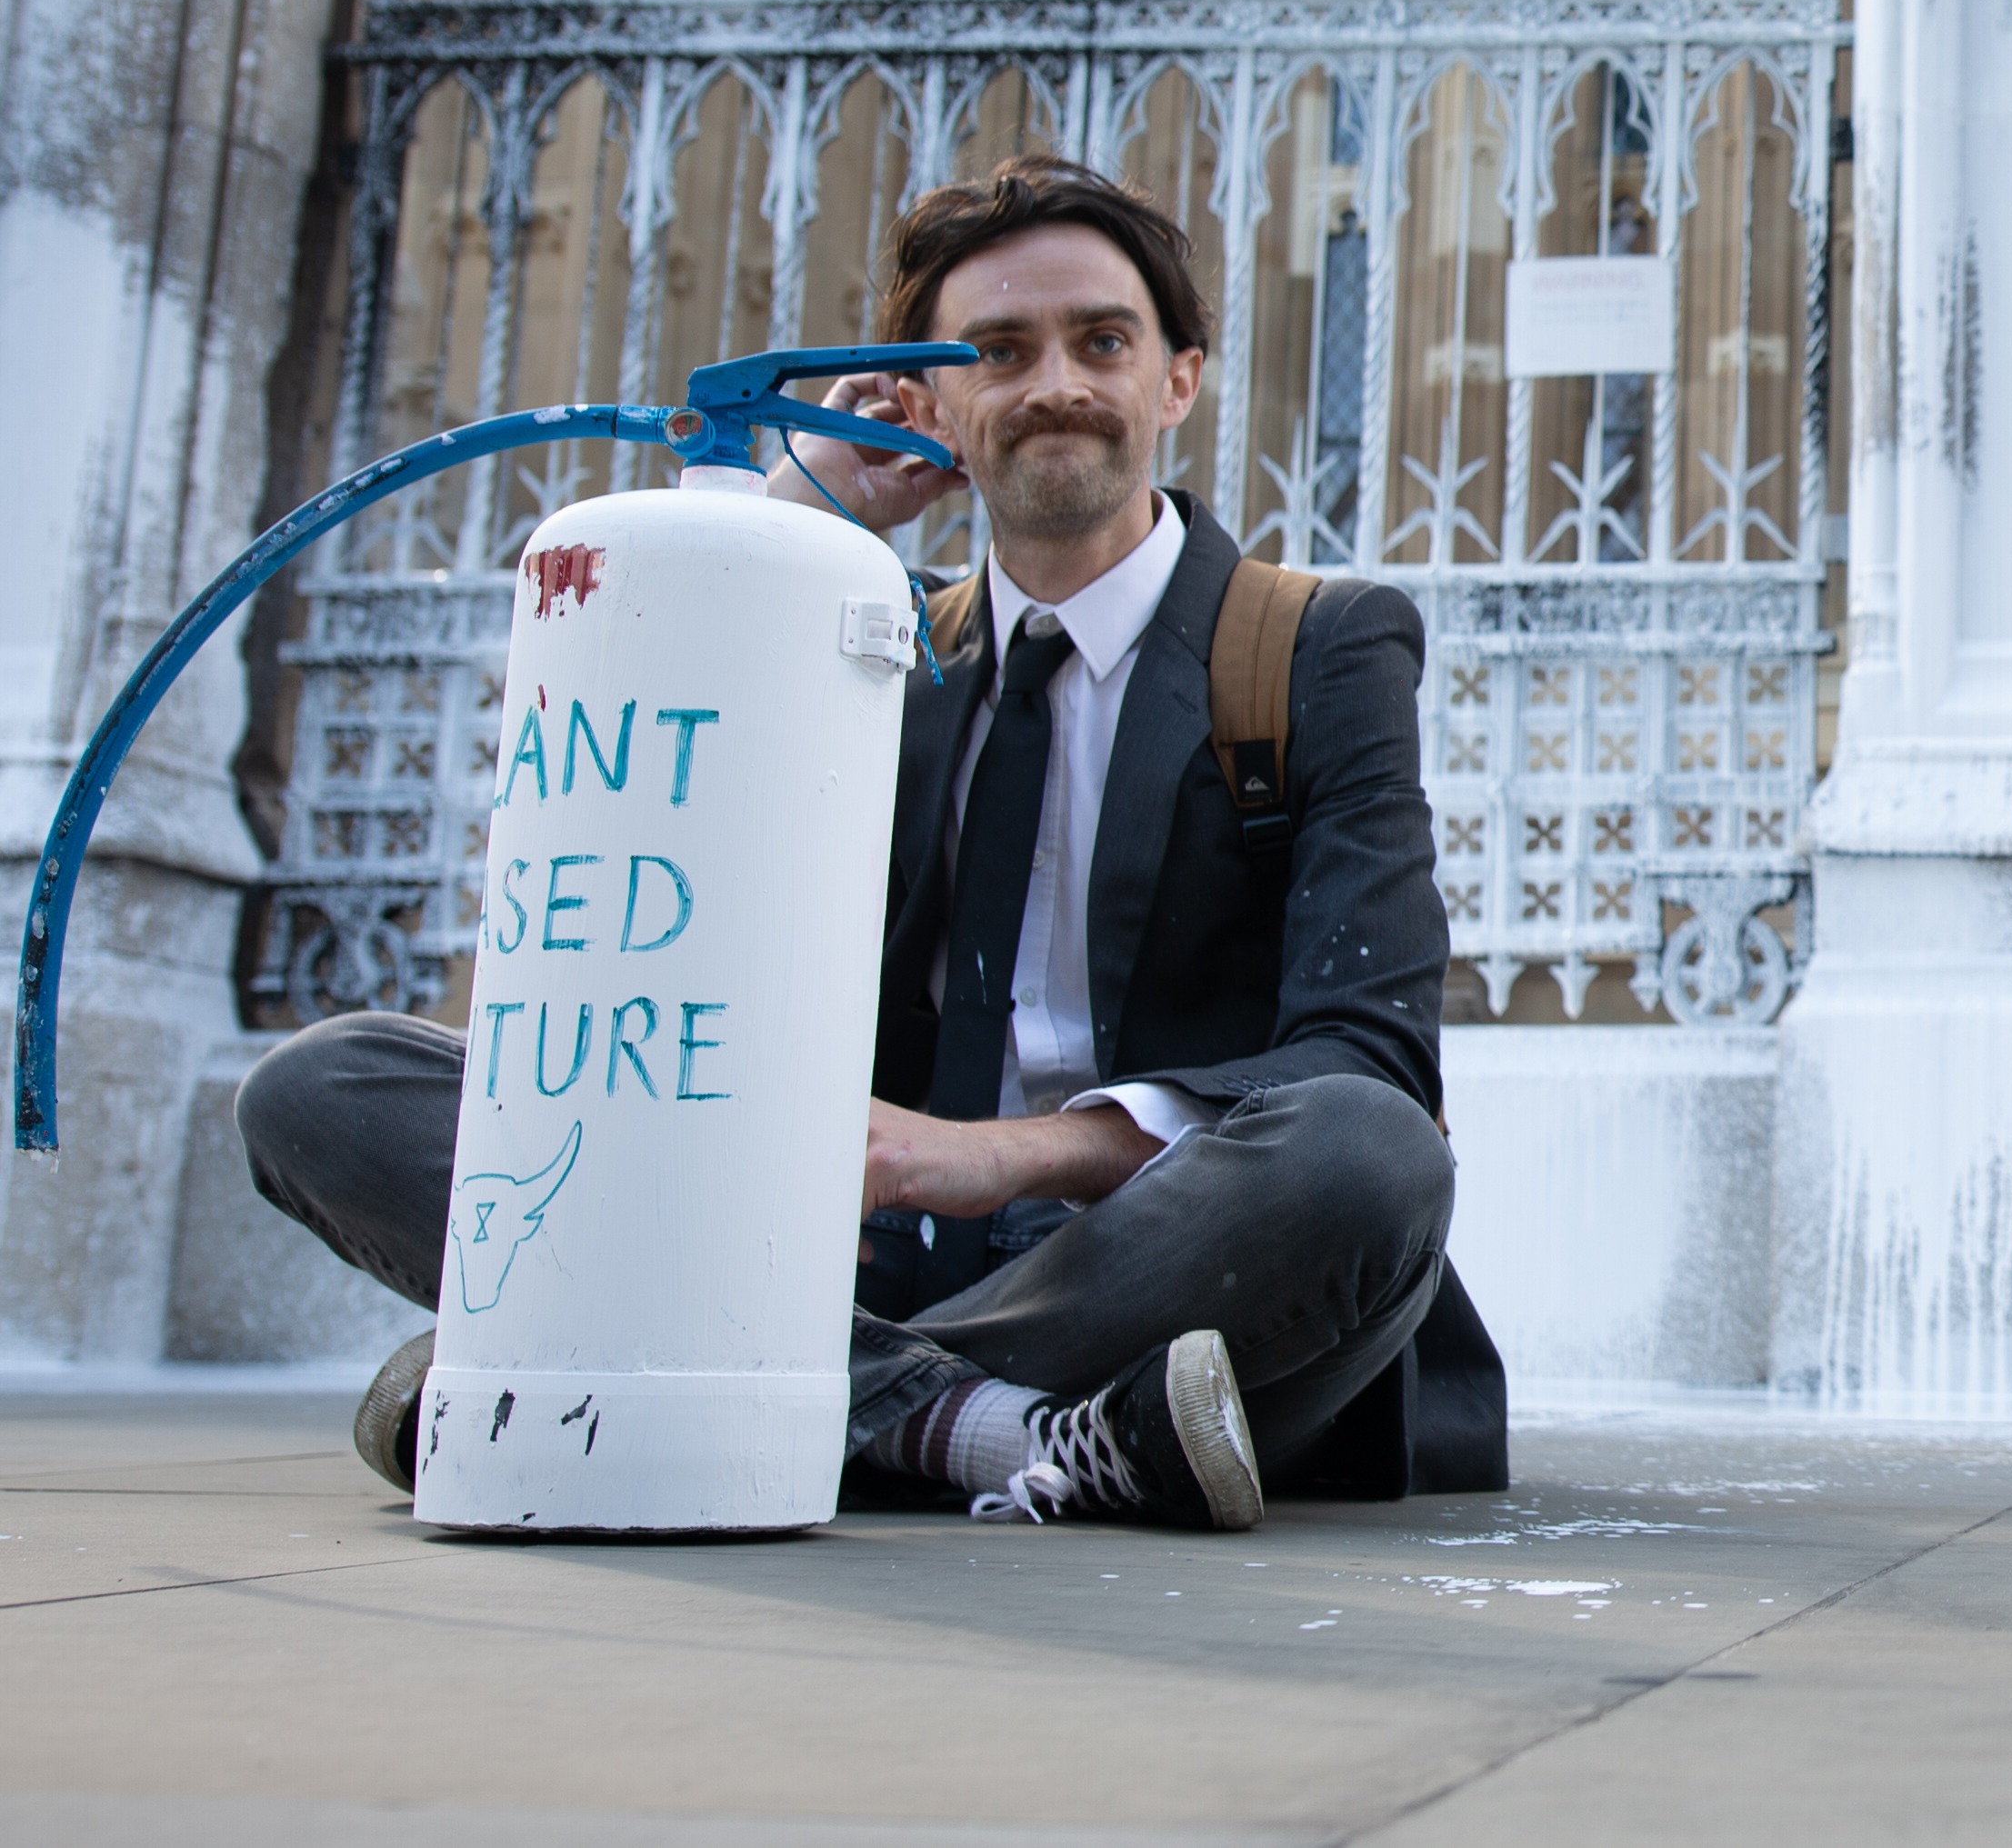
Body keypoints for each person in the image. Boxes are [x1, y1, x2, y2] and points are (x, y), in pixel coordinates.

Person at [242, 156, 1499, 1530]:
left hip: (1168, 1262)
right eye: (999, 353)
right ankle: (984, 1425)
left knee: (1371, 1150)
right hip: (856, 1249)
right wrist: (795, 507)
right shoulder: (858, 636)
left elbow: (1367, 1049)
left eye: (1102, 341)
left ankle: (728, 1382)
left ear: (1178, 380)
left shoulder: (1319, 643)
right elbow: (659, 851)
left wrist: (988, 1154)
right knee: (319, 1088)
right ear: (937, 408)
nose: (1055, 384)